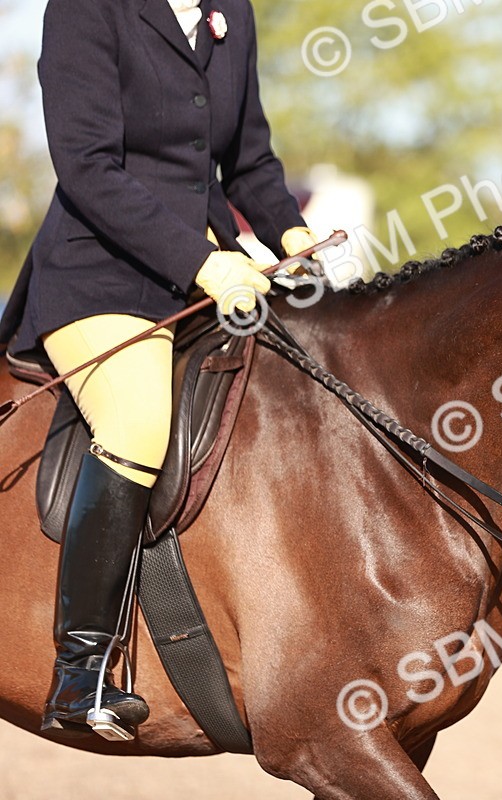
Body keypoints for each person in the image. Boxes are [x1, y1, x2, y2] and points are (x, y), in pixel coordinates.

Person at [0, 0, 320, 740]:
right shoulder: (85, 10)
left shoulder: (228, 12)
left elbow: (248, 162)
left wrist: (296, 238)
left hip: (206, 277)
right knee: (139, 424)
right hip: (100, 278)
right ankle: (79, 673)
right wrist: (205, 260)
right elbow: (86, 166)